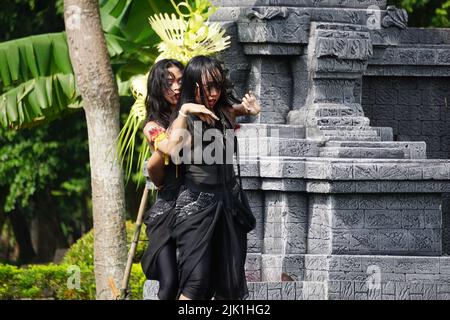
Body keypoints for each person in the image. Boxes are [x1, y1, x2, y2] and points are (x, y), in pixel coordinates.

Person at [154, 55, 261, 300]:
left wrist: (251, 109)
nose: (213, 93)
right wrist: (184, 110)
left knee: (231, 282)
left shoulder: (223, 112)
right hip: (196, 207)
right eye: (207, 86)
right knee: (196, 281)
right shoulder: (185, 120)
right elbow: (171, 149)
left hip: (229, 205)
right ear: (193, 86)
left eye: (217, 85)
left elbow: (241, 109)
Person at [140, 58, 184, 300]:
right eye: (169, 82)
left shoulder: (195, 115)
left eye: (180, 81)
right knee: (168, 282)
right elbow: (168, 147)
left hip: (197, 208)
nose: (176, 87)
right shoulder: (152, 126)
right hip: (166, 211)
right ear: (158, 86)